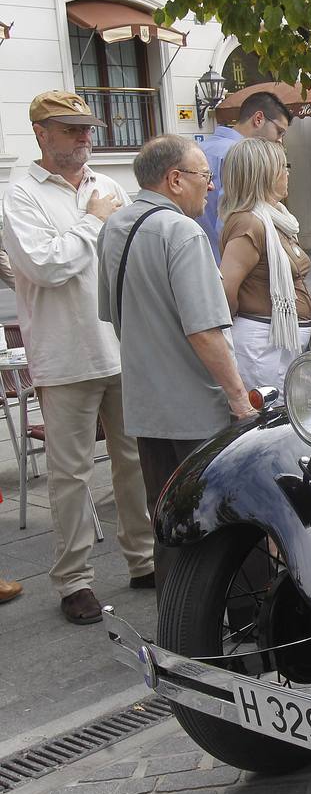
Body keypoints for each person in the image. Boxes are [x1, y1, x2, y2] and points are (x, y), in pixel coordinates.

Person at [1, 90, 156, 625]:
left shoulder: (106, 186)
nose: (85, 137)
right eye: (71, 130)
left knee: (133, 461)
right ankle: (74, 581)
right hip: (64, 354)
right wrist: (92, 222)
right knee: (68, 476)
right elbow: (46, 267)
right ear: (41, 134)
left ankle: (144, 558)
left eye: (87, 128)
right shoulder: (21, 195)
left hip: (120, 347)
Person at [97, 134, 254, 596]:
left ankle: (176, 615)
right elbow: (203, 330)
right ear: (175, 179)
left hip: (145, 404)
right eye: (205, 176)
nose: (211, 187)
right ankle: (238, 621)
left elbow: (111, 312)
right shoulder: (181, 231)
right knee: (221, 514)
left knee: (166, 515)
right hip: (195, 408)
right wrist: (238, 398)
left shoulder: (114, 225)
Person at [217, 139, 311, 391]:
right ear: (265, 175)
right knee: (270, 422)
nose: (287, 173)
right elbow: (226, 290)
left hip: (282, 339)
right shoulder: (249, 223)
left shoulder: (279, 219)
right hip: (263, 343)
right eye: (282, 167)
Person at [195, 91, 293, 264]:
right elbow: (230, 218)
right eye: (279, 131)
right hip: (233, 264)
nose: (279, 140)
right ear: (258, 119)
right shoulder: (243, 157)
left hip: (201, 259)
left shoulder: (200, 149)